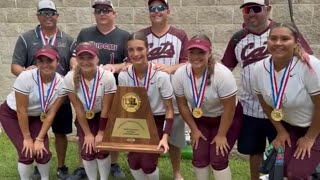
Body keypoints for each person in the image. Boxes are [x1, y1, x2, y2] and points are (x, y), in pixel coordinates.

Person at [220, 0, 313, 179]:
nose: (251, 13)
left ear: (268, 9)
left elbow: (306, 61)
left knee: (283, 151)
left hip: (282, 108)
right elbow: (224, 69)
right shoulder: (238, 38)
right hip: (250, 109)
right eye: (247, 9)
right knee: (254, 151)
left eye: (257, 8)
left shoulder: (283, 33)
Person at [10, 0, 76, 179]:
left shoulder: (68, 39)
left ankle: (61, 166)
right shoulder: (26, 37)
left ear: (57, 15)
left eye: (51, 13)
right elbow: (15, 66)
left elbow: (73, 64)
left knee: (61, 132)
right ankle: (39, 165)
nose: (48, 16)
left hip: (59, 96)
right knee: (38, 132)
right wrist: (25, 73)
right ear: (37, 15)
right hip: (36, 98)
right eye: (44, 13)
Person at [253, 22, 320, 179]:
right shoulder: (259, 68)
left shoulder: (310, 66)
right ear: (267, 41)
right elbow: (263, 100)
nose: (278, 43)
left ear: (296, 42)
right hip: (291, 128)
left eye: (285, 39)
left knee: (295, 173)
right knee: (279, 170)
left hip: (316, 129)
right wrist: (280, 130)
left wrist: (310, 138)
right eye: (273, 38)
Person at [71, 0, 129, 177]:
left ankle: (113, 163)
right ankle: (83, 166)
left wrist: (114, 67)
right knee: (84, 124)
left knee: (111, 126)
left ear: (114, 13)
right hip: (87, 87)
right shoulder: (85, 33)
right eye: (98, 11)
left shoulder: (124, 35)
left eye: (106, 10)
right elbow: (74, 57)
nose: (102, 13)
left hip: (111, 86)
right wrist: (75, 67)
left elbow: (129, 62)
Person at [172, 35, 243, 180]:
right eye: (192, 52)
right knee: (199, 156)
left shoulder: (222, 74)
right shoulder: (180, 74)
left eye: (201, 52)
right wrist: (194, 129)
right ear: (187, 53)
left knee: (218, 158)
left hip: (226, 118)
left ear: (209, 53)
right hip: (201, 118)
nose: (196, 57)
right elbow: (183, 105)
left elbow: (229, 109)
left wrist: (222, 135)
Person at [0, 45, 66, 180]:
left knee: (42, 151)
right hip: (12, 115)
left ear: (57, 61)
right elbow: (21, 110)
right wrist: (28, 138)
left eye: (50, 60)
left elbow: (51, 113)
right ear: (36, 62)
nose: (45, 64)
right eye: (41, 61)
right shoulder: (26, 77)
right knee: (27, 152)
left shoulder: (62, 83)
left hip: (37, 116)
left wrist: (40, 139)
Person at [140, 0, 188, 179]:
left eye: (161, 8)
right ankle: (150, 168)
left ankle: (176, 172)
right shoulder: (142, 35)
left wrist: (170, 69)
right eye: (152, 8)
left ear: (168, 11)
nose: (156, 11)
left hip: (173, 96)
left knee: (174, 139)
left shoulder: (180, 35)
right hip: (148, 97)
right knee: (148, 137)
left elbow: (187, 61)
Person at [118, 32, 174, 180]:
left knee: (148, 163)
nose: (135, 54)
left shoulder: (161, 76)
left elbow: (169, 109)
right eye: (131, 50)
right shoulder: (124, 76)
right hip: (135, 121)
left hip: (156, 120)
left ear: (147, 49)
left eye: (140, 49)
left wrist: (165, 137)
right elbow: (124, 107)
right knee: (134, 162)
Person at [62, 42, 116, 180]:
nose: (86, 62)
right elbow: (78, 108)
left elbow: (106, 108)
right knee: (87, 150)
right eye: (82, 58)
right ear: (77, 59)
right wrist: (87, 134)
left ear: (97, 59)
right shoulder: (69, 78)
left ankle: (103, 178)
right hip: (84, 116)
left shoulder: (107, 77)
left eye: (89, 57)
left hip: (103, 116)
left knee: (101, 149)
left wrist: (101, 132)